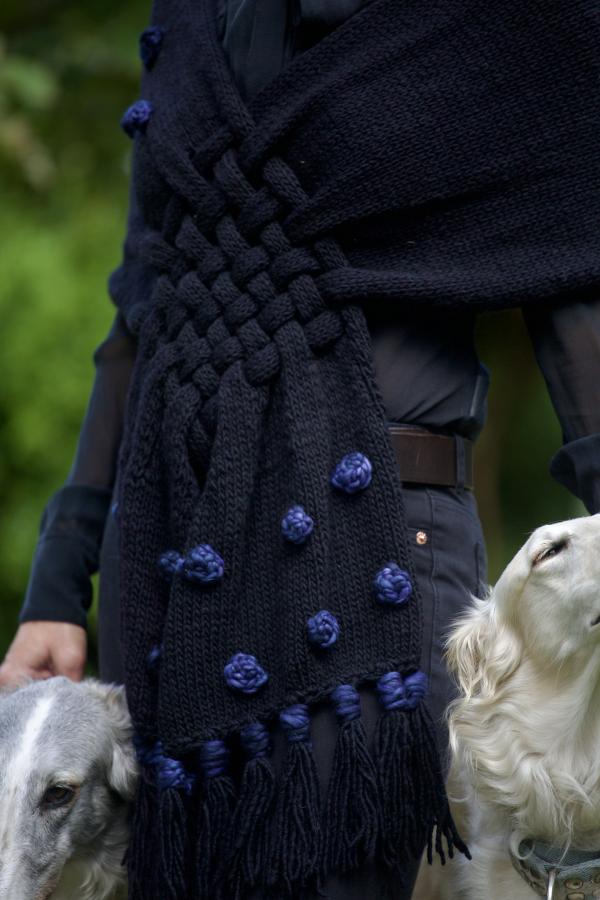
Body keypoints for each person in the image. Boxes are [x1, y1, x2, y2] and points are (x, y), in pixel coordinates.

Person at [2, 3, 599, 899]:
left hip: (371, 550)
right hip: (171, 567)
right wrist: (57, 583)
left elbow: (570, 277)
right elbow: (139, 320)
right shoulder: (191, 23)